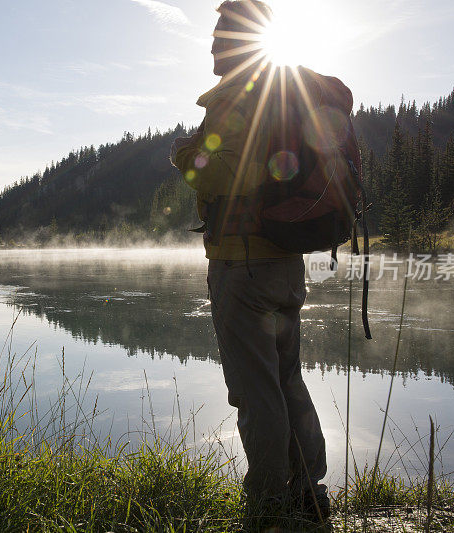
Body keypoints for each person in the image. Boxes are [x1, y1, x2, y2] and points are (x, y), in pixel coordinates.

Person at [170, 0, 359, 523]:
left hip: (243, 266)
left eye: (219, 33)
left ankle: (269, 504)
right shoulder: (278, 94)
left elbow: (226, 174)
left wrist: (185, 156)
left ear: (238, 41)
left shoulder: (237, 97)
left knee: (256, 393)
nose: (211, 43)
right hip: (281, 264)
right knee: (285, 381)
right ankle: (307, 492)